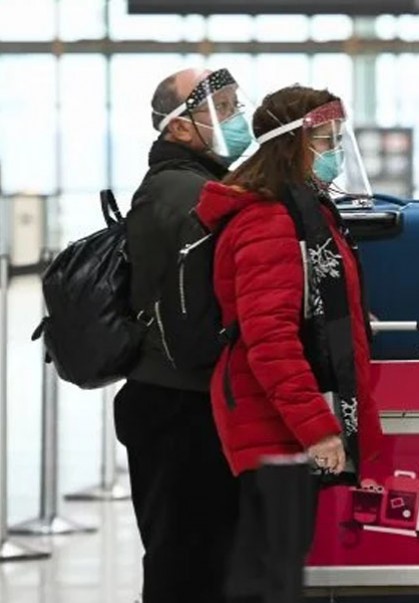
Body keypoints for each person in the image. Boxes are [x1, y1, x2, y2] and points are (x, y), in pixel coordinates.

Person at [193, 85, 384, 602]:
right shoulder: (270, 220)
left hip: (281, 419)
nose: (335, 151)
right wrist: (318, 430)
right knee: (267, 571)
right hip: (270, 424)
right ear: (292, 144)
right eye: (325, 140)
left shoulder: (303, 211)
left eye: (339, 138)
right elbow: (270, 339)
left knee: (276, 564)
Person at [115, 67, 254, 603]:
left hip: (181, 397)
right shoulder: (186, 192)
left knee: (200, 554)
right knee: (186, 561)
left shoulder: (198, 183)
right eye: (222, 108)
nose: (236, 118)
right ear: (177, 127)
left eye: (236, 105)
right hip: (179, 405)